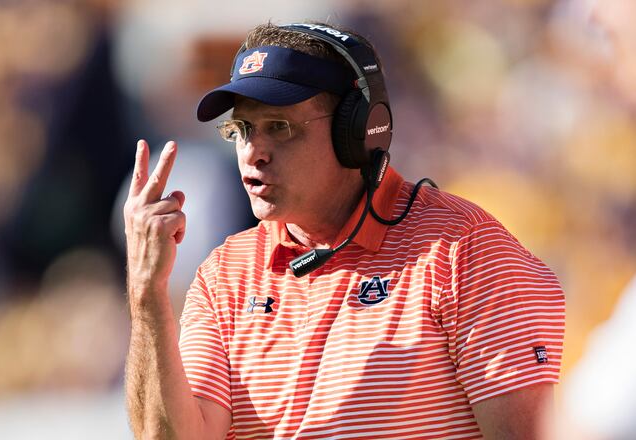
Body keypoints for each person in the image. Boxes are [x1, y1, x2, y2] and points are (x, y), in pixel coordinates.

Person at [123, 21, 565, 439]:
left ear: (358, 131)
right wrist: (147, 292)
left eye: (279, 127)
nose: (253, 152)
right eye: (242, 129)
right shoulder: (223, 275)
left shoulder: (464, 251)